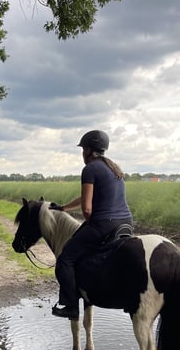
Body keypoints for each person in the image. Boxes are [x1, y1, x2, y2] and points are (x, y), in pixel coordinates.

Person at [51, 130, 133, 319]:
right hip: (126, 223)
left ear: (87, 150)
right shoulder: (114, 168)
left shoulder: (90, 169)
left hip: (104, 224)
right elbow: (85, 197)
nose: (82, 154)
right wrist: (64, 208)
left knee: (65, 259)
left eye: (83, 150)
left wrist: (91, 224)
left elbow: (87, 209)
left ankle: (71, 305)